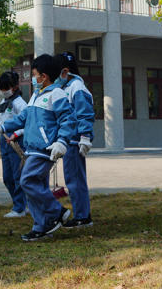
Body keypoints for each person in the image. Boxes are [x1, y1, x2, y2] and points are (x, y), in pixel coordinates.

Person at [0, 54, 76, 241]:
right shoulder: (36, 95)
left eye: (34, 75)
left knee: (26, 181)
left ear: (43, 76)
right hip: (31, 148)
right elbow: (21, 119)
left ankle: (57, 212)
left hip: (44, 149)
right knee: (35, 186)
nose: (32, 79)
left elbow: (68, 120)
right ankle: (40, 226)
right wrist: (1, 128)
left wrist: (61, 141)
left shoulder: (56, 94)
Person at [55, 51, 95, 228]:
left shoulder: (76, 87)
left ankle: (83, 217)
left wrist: (85, 137)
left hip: (74, 141)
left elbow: (84, 113)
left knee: (75, 179)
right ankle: (82, 214)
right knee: (73, 178)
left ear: (65, 71)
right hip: (68, 140)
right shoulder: (67, 87)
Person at [0, 70, 28, 218]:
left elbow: (27, 124)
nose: (3, 91)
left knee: (18, 176)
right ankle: (19, 204)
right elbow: (0, 118)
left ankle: (20, 208)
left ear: (14, 87)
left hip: (16, 141)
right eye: (2, 88)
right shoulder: (3, 102)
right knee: (7, 178)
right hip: (4, 141)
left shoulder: (21, 104)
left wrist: (15, 134)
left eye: (5, 88)